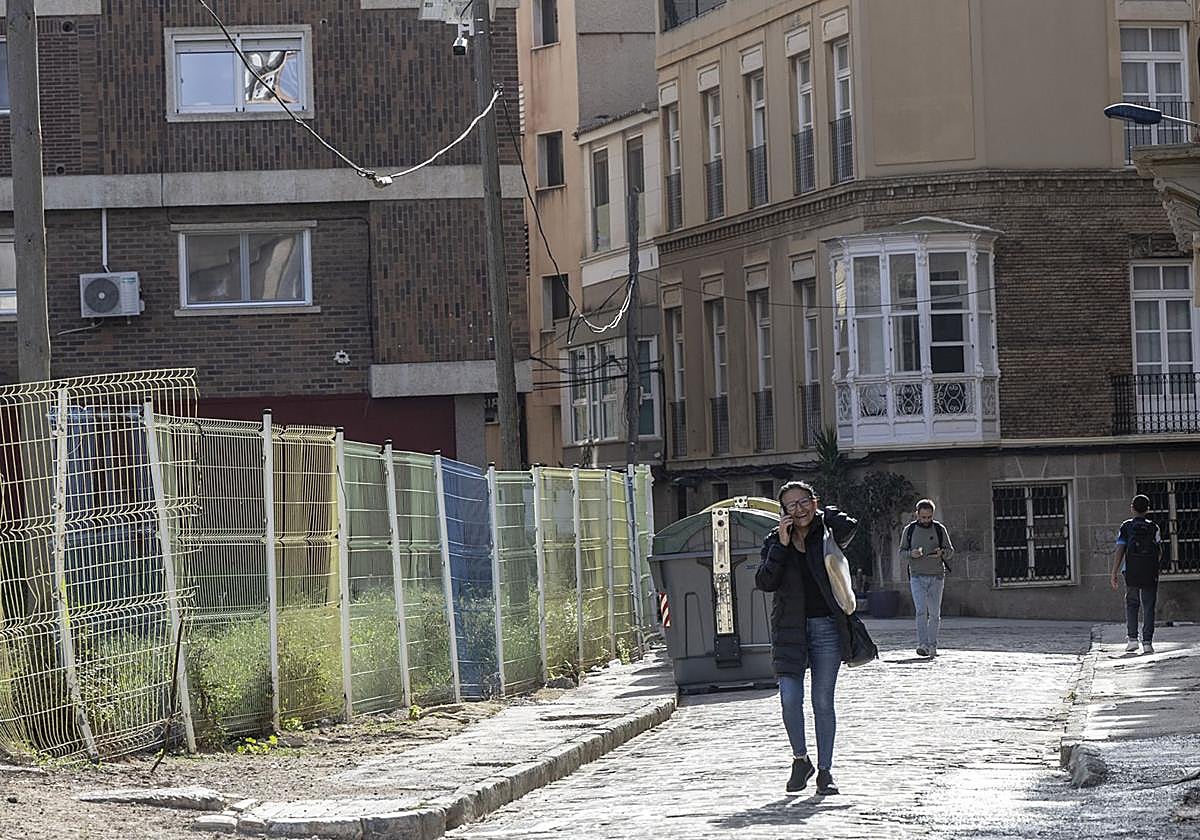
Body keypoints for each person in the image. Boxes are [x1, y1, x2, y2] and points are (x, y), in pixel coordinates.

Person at [757, 480, 858, 796]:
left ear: (814, 502)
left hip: (827, 627)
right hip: (790, 631)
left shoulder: (826, 531)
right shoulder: (775, 541)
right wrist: (782, 546)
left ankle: (825, 772)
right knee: (789, 698)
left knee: (822, 701)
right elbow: (765, 581)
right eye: (791, 505)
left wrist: (822, 512)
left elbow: (851, 526)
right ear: (782, 512)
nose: (799, 510)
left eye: (804, 502)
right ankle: (801, 759)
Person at [899, 499, 954, 658]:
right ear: (917, 514)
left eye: (929, 517)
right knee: (921, 611)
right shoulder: (909, 530)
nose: (926, 521)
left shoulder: (939, 529)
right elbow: (902, 552)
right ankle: (922, 644)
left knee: (935, 614)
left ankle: (932, 645)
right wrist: (912, 554)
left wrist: (941, 553)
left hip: (937, 576)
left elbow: (950, 551)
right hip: (917, 576)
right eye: (923, 517)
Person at [1110, 494, 1162, 655]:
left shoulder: (1126, 526)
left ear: (1132, 508)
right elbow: (1159, 552)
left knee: (1132, 604)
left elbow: (1120, 549)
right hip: (1149, 572)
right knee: (1148, 606)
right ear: (1148, 509)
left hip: (1131, 571)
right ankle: (1147, 643)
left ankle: (1132, 640)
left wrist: (1114, 572)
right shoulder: (1154, 527)